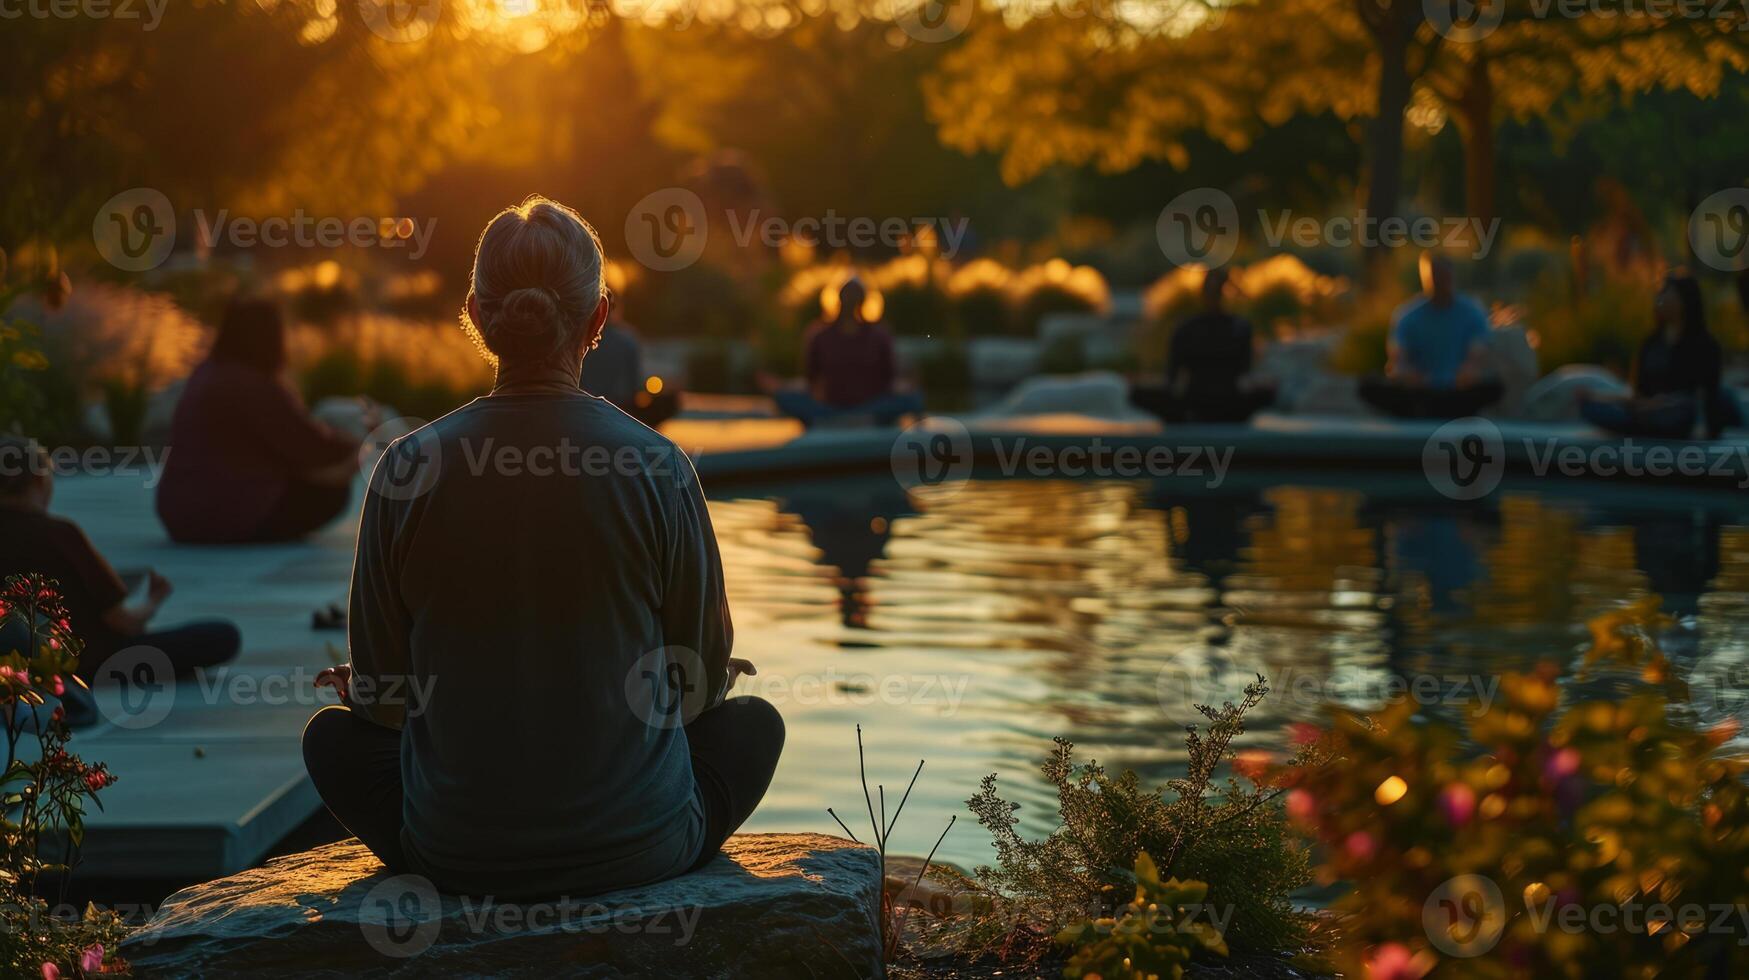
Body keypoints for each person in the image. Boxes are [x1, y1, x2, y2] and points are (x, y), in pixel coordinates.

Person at [300, 196, 783, 899]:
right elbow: (698, 691)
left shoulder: (406, 468)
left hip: (454, 855)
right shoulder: (656, 466)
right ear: (597, 318)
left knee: (328, 739)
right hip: (641, 850)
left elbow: (382, 704)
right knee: (753, 726)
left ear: (475, 312)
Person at [0, 435, 241, 699]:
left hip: (14, 667)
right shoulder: (60, 534)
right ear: (39, 480)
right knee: (222, 635)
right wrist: (153, 601)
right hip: (94, 664)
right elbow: (125, 624)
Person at [155, 298, 367, 543]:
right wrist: (359, 446)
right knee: (331, 492)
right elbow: (311, 445)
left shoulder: (208, 372)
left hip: (178, 515)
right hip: (219, 516)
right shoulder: (250, 385)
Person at [1578, 271, 1726, 439]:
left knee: (1679, 409)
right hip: (1646, 412)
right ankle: (1641, 424)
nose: (1659, 298)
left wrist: (1664, 404)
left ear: (1685, 300)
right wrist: (1597, 397)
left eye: (1666, 292)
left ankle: (1643, 424)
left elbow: (1706, 397)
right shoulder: (1651, 344)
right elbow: (1637, 395)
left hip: (1679, 415)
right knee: (1592, 407)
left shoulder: (1705, 345)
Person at [1359, 253, 1503, 419]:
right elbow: (1397, 358)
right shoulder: (1408, 315)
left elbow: (1478, 353)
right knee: (1369, 385)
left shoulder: (1472, 313)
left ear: (1452, 277)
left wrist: (1468, 371)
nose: (1439, 282)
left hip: (1457, 391)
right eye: (1434, 277)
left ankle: (1434, 409)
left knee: (1494, 387)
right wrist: (1406, 373)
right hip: (1421, 390)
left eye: (1443, 276)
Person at [1130, 267, 1274, 423]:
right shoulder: (1189, 328)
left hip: (1222, 402)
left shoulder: (1238, 328)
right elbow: (1172, 376)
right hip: (1206, 402)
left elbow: (1245, 373)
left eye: (1217, 290)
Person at [774, 277, 922, 427]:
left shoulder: (879, 336)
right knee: (785, 397)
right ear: (839, 297)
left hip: (871, 406)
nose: (850, 299)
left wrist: (903, 387)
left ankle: (852, 419)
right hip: (829, 407)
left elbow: (889, 376)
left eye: (855, 295)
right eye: (847, 294)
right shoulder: (820, 335)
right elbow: (811, 378)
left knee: (913, 398)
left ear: (863, 300)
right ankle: (841, 418)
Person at [579, 316, 679, 429]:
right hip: (620, 407)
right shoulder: (627, 339)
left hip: (583, 405)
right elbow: (634, 384)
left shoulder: (579, 337)